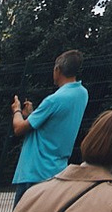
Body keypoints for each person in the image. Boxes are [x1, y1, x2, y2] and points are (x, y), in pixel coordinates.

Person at [11, 51, 89, 197]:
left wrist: (17, 110)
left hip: (35, 171)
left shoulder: (53, 100)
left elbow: (19, 128)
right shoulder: (82, 94)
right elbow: (53, 122)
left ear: (57, 70)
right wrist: (32, 115)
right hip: (58, 169)